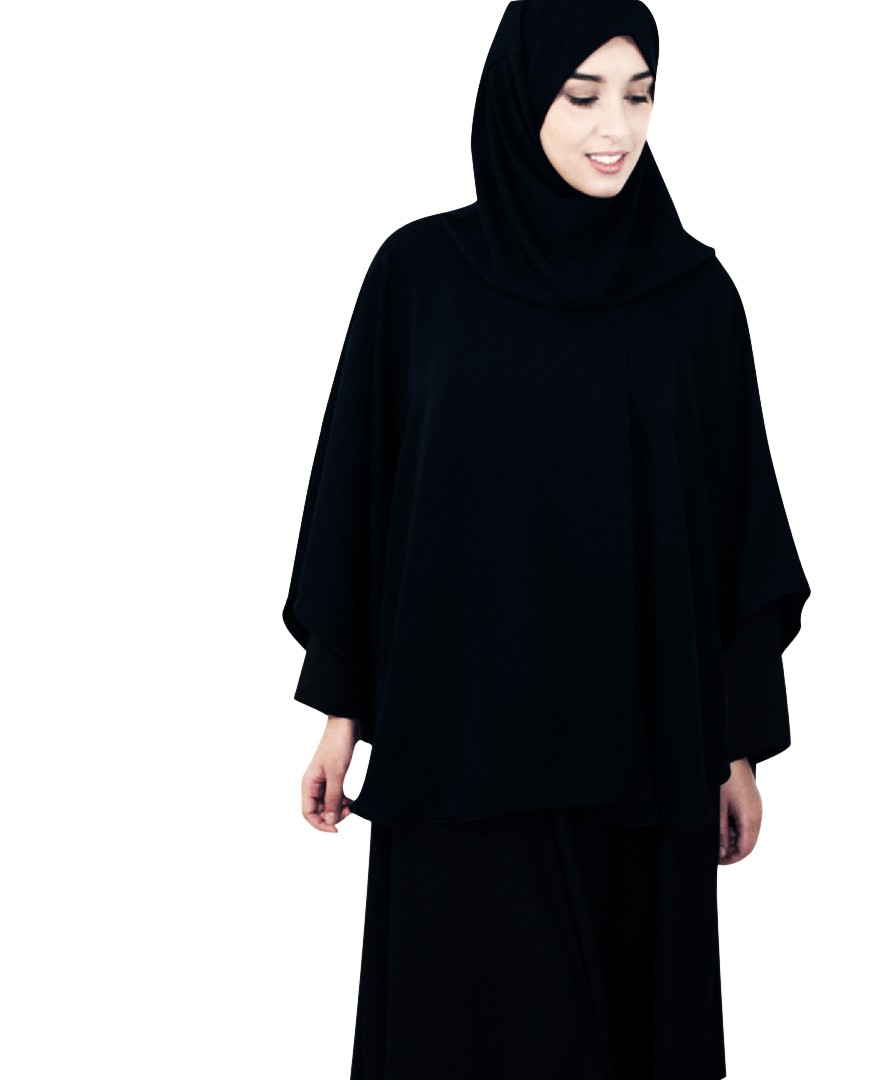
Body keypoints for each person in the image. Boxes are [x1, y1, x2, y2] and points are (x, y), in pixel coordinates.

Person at [282, 1, 811, 1076]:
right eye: (582, 96)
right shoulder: (421, 279)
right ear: (521, 98)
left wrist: (738, 745)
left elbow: (736, 531)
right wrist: (343, 714)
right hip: (461, 751)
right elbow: (361, 501)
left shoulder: (693, 299)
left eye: (639, 95)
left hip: (645, 764)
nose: (616, 128)